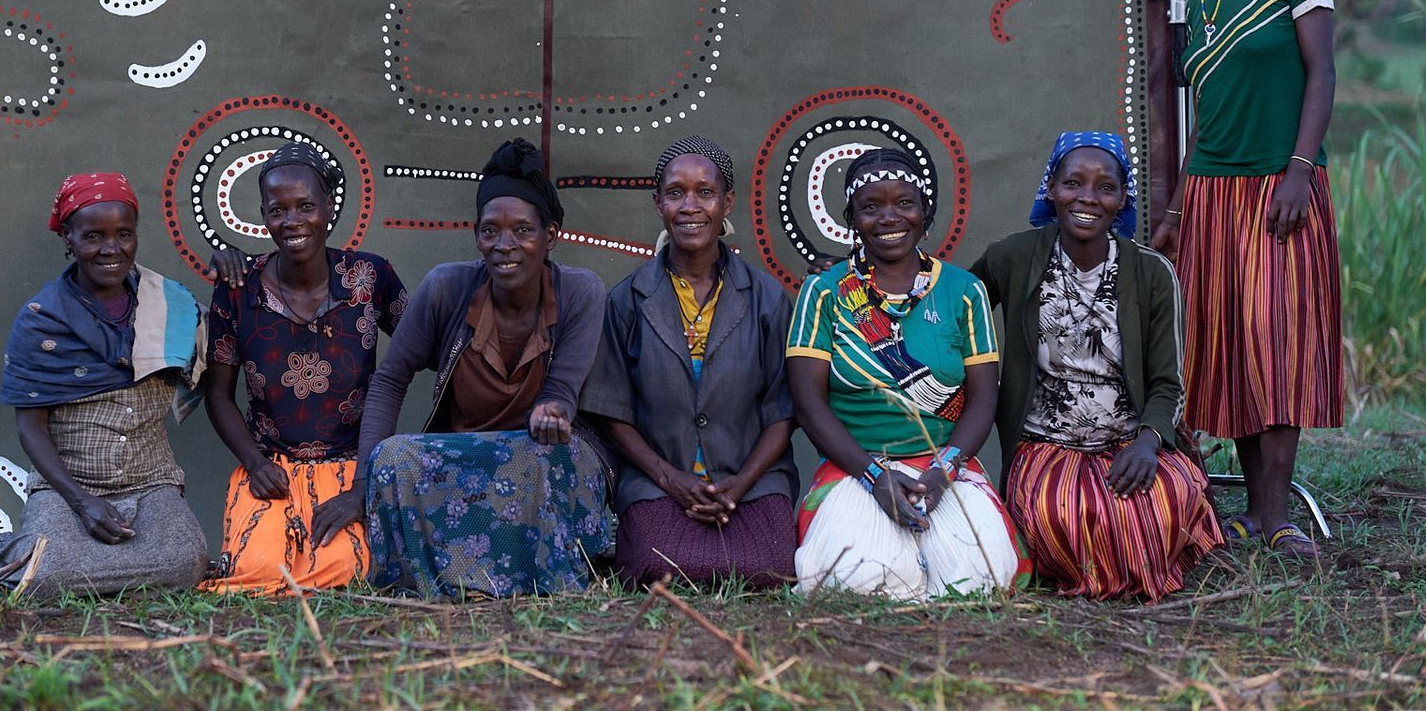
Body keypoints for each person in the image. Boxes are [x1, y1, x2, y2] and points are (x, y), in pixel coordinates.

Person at [1154, 0, 1341, 558]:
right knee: (1229, 346)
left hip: (1279, 186)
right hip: (1212, 192)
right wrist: (1174, 209)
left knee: (1278, 343)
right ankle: (1259, 516)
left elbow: (1321, 70)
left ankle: (1278, 514)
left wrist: (1299, 170)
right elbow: (1209, 108)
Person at [971, 132, 1223, 599]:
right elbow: (952, 306)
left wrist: (1149, 443)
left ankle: (1127, 563)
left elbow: (1170, 383)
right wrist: (856, 275)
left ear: (1122, 198)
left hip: (1132, 441)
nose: (1088, 198)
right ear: (1052, 189)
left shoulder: (1150, 273)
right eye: (1073, 183)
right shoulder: (1014, 257)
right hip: (1047, 444)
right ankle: (1111, 569)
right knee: (1062, 513)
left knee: (1165, 502)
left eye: (1105, 187)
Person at [356, 138, 612, 597]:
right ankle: (445, 580)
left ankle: (539, 580)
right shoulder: (446, 287)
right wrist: (362, 482)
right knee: (392, 458)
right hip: (465, 457)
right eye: (490, 231)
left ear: (550, 236)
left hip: (545, 456)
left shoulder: (581, 291)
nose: (504, 245)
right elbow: (390, 379)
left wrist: (553, 410)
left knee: (543, 458)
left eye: (522, 231)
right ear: (477, 235)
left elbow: (562, 390)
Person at [788, 148, 1027, 598]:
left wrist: (944, 469)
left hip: (942, 466)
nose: (889, 217)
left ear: (926, 213)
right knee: (857, 580)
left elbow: (982, 398)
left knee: (980, 580)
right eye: (870, 207)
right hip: (855, 466)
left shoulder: (965, 291)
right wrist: (873, 476)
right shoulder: (823, 292)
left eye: (904, 203)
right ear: (851, 218)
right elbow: (807, 402)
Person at [582, 137, 797, 588]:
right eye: (676, 193)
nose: (690, 206)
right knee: (659, 569)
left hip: (753, 482)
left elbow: (784, 410)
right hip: (658, 483)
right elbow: (612, 412)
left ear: (727, 202)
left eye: (705, 192)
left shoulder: (768, 298)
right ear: (658, 203)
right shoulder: (626, 300)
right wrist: (670, 477)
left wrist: (740, 482)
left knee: (769, 568)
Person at [0, 173, 210, 595]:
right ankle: (47, 557)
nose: (111, 249)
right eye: (93, 236)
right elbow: (30, 427)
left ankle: (63, 564)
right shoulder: (41, 319)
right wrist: (81, 502)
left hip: (151, 481)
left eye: (124, 234)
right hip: (67, 485)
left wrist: (234, 271)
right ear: (68, 238)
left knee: (187, 561)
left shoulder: (170, 304)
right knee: (46, 574)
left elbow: (229, 336)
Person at [200, 143, 407, 593]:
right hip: (269, 468)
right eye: (278, 210)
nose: (293, 221)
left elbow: (419, 349)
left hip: (354, 469)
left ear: (329, 207)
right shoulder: (238, 291)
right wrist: (254, 464)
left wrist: (366, 485)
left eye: (306, 206)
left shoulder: (370, 278)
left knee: (344, 569)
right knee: (256, 572)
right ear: (263, 214)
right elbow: (217, 394)